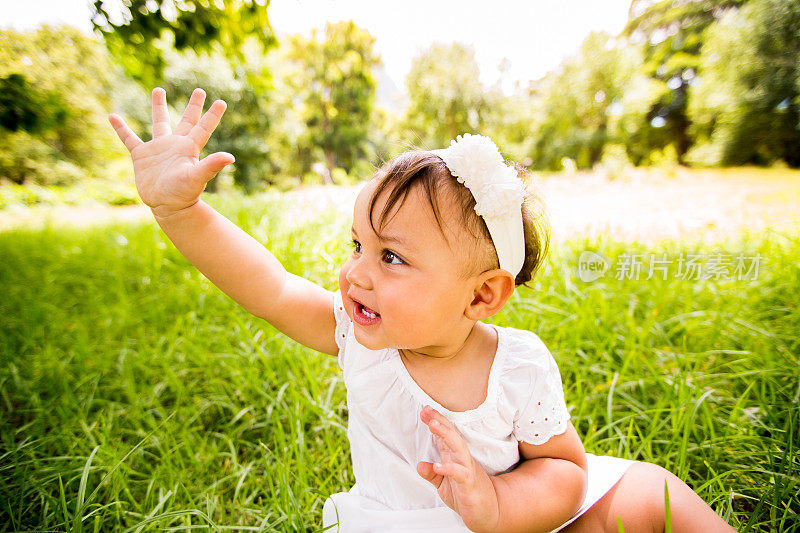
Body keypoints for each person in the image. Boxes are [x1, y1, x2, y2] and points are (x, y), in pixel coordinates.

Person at [109, 87, 736, 533]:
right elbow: (269, 285)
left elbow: (563, 470)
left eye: (393, 258)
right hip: (396, 524)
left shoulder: (517, 367)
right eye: (360, 245)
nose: (357, 272)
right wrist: (180, 212)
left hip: (509, 520)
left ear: (482, 295)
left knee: (651, 491)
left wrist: (493, 504)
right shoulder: (354, 335)